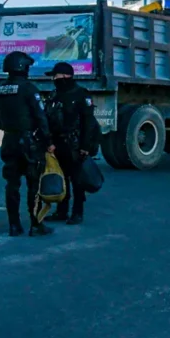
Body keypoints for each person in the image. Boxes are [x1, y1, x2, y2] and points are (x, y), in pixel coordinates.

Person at [0, 51, 55, 237]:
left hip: (9, 140)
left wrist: (11, 127)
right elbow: (40, 117)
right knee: (34, 183)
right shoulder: (28, 88)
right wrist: (48, 140)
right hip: (29, 142)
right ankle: (35, 223)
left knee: (12, 184)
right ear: (22, 67)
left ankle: (14, 225)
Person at [43, 62, 97, 225]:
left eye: (56, 76)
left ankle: (77, 212)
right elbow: (48, 119)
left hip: (75, 144)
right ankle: (61, 211)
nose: (54, 79)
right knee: (62, 178)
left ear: (66, 76)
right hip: (57, 144)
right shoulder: (54, 95)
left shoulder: (81, 94)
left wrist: (85, 147)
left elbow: (89, 122)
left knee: (77, 180)